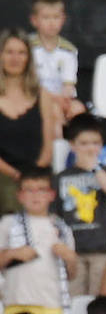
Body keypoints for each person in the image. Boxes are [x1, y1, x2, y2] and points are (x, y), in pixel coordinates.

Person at [1, 168, 78, 314]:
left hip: (52, 306)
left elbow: (72, 274)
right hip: (16, 304)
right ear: (20, 195)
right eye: (29, 190)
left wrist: (71, 258)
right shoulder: (7, 224)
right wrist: (12, 253)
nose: (35, 196)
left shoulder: (62, 228)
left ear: (51, 195)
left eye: (41, 190)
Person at [55, 114, 106, 296]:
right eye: (84, 143)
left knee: (98, 298)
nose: (90, 148)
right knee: (75, 298)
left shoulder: (104, 172)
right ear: (72, 145)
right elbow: (56, 214)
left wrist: (95, 168)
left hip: (101, 248)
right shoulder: (62, 177)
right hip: (74, 250)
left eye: (95, 143)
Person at [0, 28, 60, 215]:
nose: (15, 58)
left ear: (29, 58)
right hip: (4, 173)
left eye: (21, 52)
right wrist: (16, 175)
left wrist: (33, 179)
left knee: (38, 192)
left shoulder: (42, 95)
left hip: (37, 172)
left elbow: (48, 148)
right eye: (9, 52)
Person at [28, 0, 85, 121]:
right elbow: (27, 83)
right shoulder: (27, 47)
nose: (51, 23)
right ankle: (55, 141)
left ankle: (72, 141)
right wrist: (52, 99)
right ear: (34, 20)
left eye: (56, 17)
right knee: (54, 110)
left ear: (63, 20)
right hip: (33, 98)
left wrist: (65, 99)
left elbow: (68, 84)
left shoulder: (69, 50)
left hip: (60, 99)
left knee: (78, 110)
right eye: (46, 18)